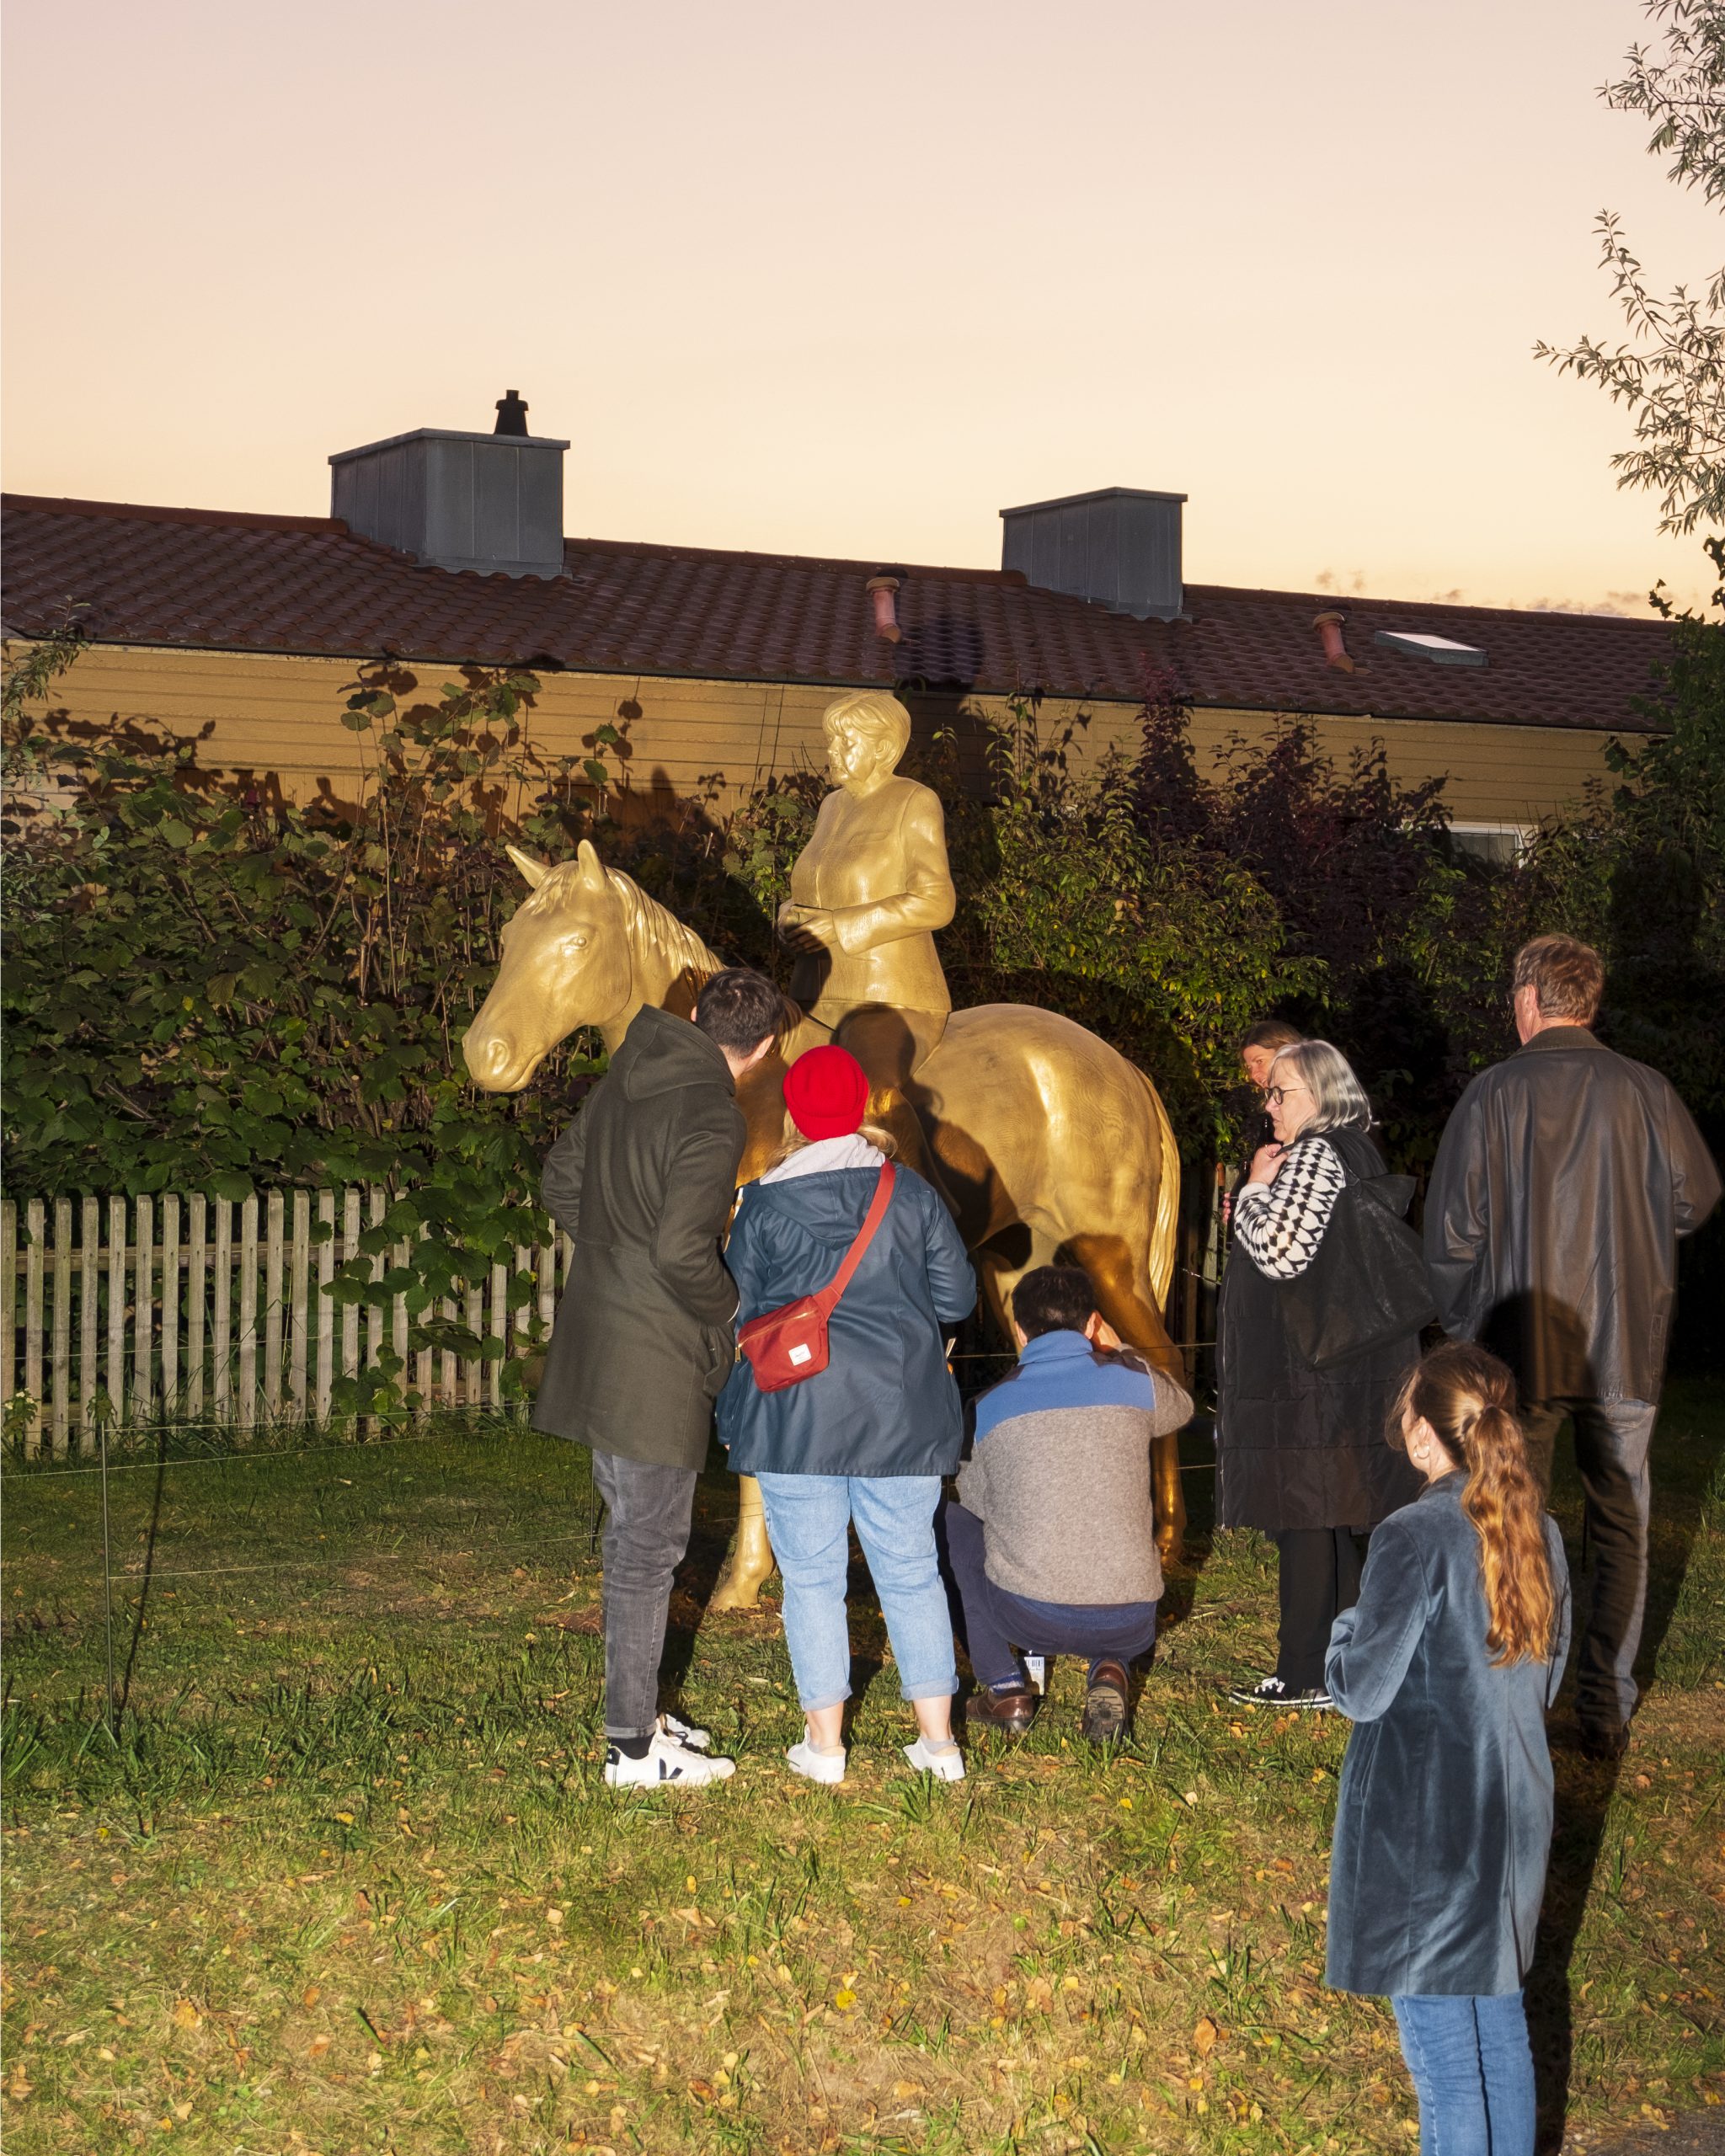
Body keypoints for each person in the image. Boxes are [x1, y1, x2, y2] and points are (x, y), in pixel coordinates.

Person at [1424, 934, 1720, 1760]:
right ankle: (1603, 1703)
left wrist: (1458, 1334)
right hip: (1625, 1342)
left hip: (1520, 1346)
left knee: (1512, 1512)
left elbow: (1450, 1235)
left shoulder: (1491, 1094)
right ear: (1587, 1003)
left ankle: (1514, 1685)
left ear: (1528, 1000)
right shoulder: (1647, 1090)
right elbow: (1693, 1200)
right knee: (1619, 1518)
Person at [534, 966, 786, 1790]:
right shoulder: (712, 1110)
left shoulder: (628, 1079)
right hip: (655, 1354)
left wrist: (616, 1254)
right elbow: (684, 1251)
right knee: (647, 1548)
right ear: (766, 1046)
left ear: (696, 1014)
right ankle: (634, 1753)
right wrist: (733, 1309)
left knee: (628, 1538)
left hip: (599, 1335)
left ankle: (635, 1712)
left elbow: (559, 1183)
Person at [1326, 1342, 1572, 2156]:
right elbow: (1548, 1676)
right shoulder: (1539, 1534)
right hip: (1514, 1817)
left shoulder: (1412, 1536)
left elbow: (1361, 1687)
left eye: (1406, 1408)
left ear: (1425, 1436)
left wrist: (1341, 1631)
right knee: (1499, 2029)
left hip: (1427, 1832)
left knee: (1446, 2069)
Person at [717, 1044, 976, 1785]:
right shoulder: (913, 1193)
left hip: (795, 1414)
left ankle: (825, 1747)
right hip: (901, 1412)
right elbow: (956, 1299)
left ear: (795, 1114)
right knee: (912, 1572)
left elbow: (740, 1306)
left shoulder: (761, 1201)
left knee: (812, 1580)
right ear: (862, 1108)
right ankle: (938, 1744)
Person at [1215, 1039, 1423, 1707]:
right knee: (1335, 1516)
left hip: (1311, 1378)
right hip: (1347, 1370)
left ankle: (1303, 1670)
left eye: (1282, 1093)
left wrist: (1251, 1187)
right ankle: (1354, 1662)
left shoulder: (1314, 1151)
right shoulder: (1355, 1149)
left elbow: (1280, 1252)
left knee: (1304, 1516)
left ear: (1322, 1096)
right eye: (1269, 1093)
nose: (1269, 1105)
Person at [943, 1265, 1193, 1743]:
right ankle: (1109, 1668)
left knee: (954, 1521)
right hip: (1131, 1617)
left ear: (1018, 1330)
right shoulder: (1135, 1383)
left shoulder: (990, 1406)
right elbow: (1180, 1407)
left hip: (1029, 1616)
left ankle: (1004, 1687)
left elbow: (976, 1501)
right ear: (1093, 1323)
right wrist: (1119, 1347)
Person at [776, 690, 956, 1092]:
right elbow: (814, 888)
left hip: (890, 1000)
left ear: (885, 747)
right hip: (809, 995)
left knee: (866, 1099)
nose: (832, 750)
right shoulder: (830, 807)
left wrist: (841, 926)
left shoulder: (914, 801)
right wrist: (789, 918)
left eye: (846, 741)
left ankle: (898, 1157)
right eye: (831, 740)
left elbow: (936, 901)